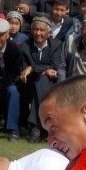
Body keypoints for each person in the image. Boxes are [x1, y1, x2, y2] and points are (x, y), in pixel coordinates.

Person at [19, 13, 60, 142]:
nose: (38, 33)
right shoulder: (24, 46)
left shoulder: (57, 45)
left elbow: (54, 67)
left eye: (42, 30)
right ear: (31, 31)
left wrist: (32, 68)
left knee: (43, 81)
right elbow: (23, 69)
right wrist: (44, 70)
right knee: (40, 83)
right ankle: (41, 127)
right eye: (35, 29)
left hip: (51, 85)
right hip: (29, 84)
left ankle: (36, 127)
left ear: (49, 33)